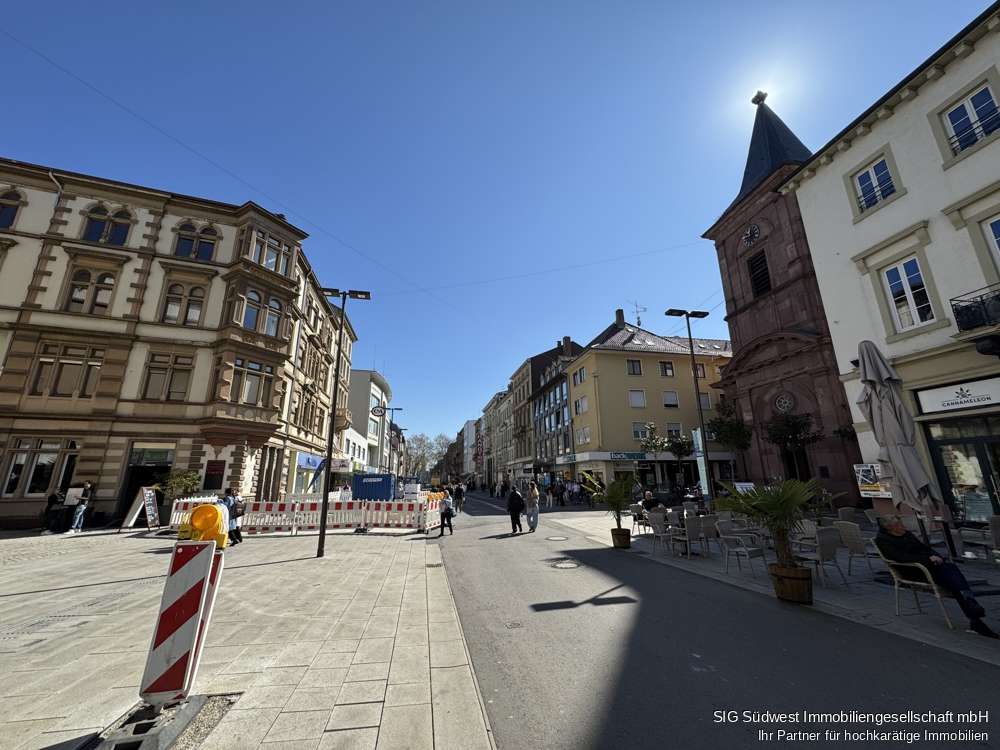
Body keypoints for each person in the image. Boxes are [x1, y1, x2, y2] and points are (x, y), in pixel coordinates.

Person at [875, 515, 997, 638]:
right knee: (952, 578)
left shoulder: (906, 534)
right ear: (890, 528)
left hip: (929, 566)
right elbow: (901, 558)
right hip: (913, 570)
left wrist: (937, 557)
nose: (903, 526)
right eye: (899, 525)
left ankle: (974, 615)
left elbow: (924, 548)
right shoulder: (883, 540)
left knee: (951, 573)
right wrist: (928, 559)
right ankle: (971, 607)